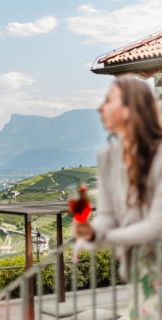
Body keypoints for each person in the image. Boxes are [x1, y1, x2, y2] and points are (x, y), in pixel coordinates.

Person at [74, 76, 162, 319]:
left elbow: (157, 225)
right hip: (138, 271)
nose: (100, 107)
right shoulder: (108, 157)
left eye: (108, 101)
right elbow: (107, 216)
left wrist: (106, 237)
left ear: (128, 110)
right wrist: (91, 232)